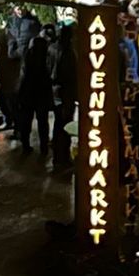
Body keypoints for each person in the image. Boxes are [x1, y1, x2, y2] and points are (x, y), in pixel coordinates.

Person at [16, 23, 54, 158]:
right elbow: (48, 78)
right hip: (41, 93)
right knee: (42, 121)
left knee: (26, 120)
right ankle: (44, 146)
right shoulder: (45, 61)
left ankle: (25, 145)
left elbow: (23, 77)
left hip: (28, 93)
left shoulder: (28, 58)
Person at [50, 20, 77, 172]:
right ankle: (63, 158)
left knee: (58, 124)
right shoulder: (67, 52)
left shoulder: (53, 48)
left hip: (56, 92)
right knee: (65, 125)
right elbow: (69, 75)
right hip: (66, 93)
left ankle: (57, 157)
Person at [0, 22, 21, 132]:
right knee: (3, 101)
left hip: (10, 79)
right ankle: (9, 122)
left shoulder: (10, 43)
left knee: (12, 103)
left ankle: (16, 127)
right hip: (2, 78)